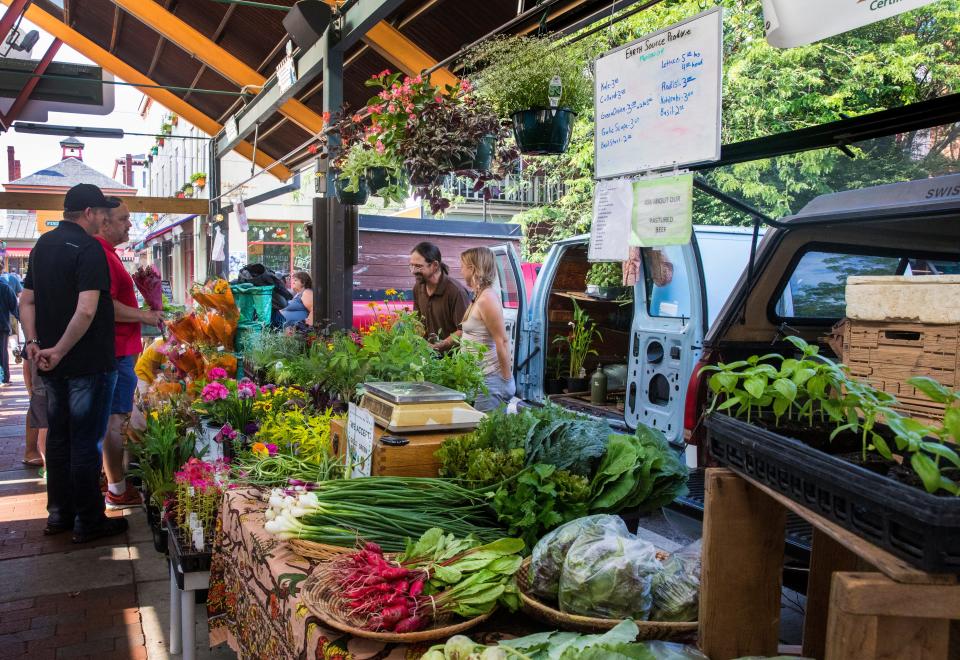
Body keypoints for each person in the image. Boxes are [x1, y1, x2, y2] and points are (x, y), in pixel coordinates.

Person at [19, 183, 126, 543]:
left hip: (51, 362)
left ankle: (59, 514)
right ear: (88, 213)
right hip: (87, 363)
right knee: (85, 443)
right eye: (103, 212)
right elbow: (87, 309)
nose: (106, 218)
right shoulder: (88, 249)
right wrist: (61, 349)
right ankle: (89, 521)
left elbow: (27, 301)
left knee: (60, 439)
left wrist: (36, 344)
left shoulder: (42, 246)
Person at [95, 198, 164, 509]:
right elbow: (103, 305)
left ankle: (109, 480)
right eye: (123, 219)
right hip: (117, 349)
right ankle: (117, 489)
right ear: (103, 222)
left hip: (118, 349)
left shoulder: (108, 254)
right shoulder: (103, 256)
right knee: (114, 419)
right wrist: (145, 316)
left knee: (113, 417)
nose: (129, 225)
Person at [458, 247, 516, 412]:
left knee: (485, 433)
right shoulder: (478, 296)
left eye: (462, 266)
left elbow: (502, 340)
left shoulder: (487, 298)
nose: (460, 271)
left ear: (473, 268)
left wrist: (506, 379)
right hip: (477, 377)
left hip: (490, 379)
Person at [410, 242, 470, 349]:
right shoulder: (418, 288)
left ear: (435, 265)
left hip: (452, 360)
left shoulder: (456, 292)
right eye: (411, 266)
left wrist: (438, 346)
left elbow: (464, 330)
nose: (413, 271)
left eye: (418, 266)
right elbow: (417, 322)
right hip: (427, 356)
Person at [0, 276, 17, 384]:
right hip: (2, 325)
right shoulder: (5, 288)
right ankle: (5, 377)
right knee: (2, 352)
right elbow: (15, 308)